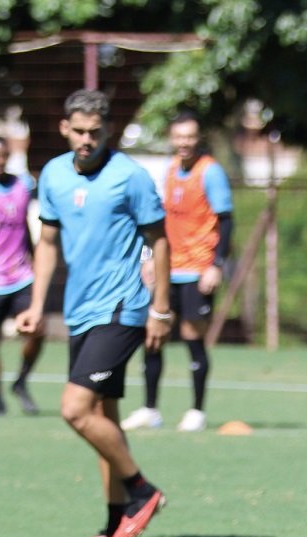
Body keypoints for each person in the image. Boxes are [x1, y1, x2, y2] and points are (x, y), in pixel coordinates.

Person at [16, 89, 170, 537]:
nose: (87, 140)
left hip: (123, 307)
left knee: (74, 409)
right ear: (65, 128)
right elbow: (46, 243)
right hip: (80, 310)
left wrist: (161, 307)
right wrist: (37, 306)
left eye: (95, 133)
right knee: (104, 416)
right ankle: (113, 528)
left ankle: (142, 491)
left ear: (109, 131)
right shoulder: (54, 176)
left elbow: (159, 241)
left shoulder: (131, 177)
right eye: (79, 131)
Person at [121, 110, 233, 433]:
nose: (184, 142)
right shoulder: (169, 171)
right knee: (153, 335)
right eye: (179, 136)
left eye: (190, 136)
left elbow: (226, 221)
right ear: (172, 138)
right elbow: (159, 224)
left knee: (192, 338)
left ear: (198, 138)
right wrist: (147, 258)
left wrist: (217, 264)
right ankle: (149, 409)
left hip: (198, 270)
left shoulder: (210, 172)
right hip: (168, 269)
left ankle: (196, 411)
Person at [0, 135, 44, 415]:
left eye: (2, 155)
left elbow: (24, 228)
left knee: (36, 330)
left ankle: (20, 381)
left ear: (8, 156)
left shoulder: (22, 186)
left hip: (21, 275)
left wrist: (36, 260)